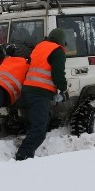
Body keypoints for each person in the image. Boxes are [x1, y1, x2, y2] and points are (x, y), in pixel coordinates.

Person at [15, 28, 69, 161]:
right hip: (40, 93)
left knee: (38, 123)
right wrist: (64, 89)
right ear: (61, 41)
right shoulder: (57, 51)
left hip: (27, 90)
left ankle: (27, 154)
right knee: (39, 129)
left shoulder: (39, 46)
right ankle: (23, 156)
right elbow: (58, 75)